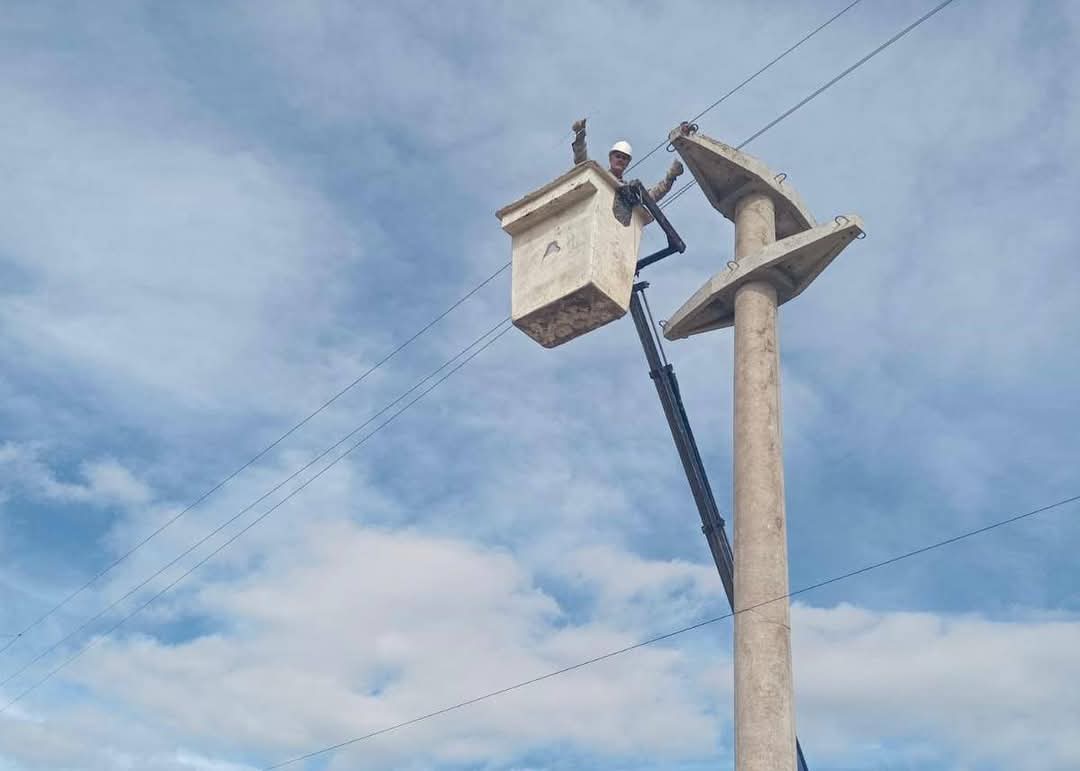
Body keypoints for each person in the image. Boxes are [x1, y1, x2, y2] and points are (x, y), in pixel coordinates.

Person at [571, 117, 684, 202]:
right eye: (618, 156)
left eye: (624, 158)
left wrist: (670, 177)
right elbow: (582, 161)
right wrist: (580, 135)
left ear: (628, 163)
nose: (620, 160)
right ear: (610, 158)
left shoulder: (629, 191)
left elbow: (652, 196)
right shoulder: (600, 177)